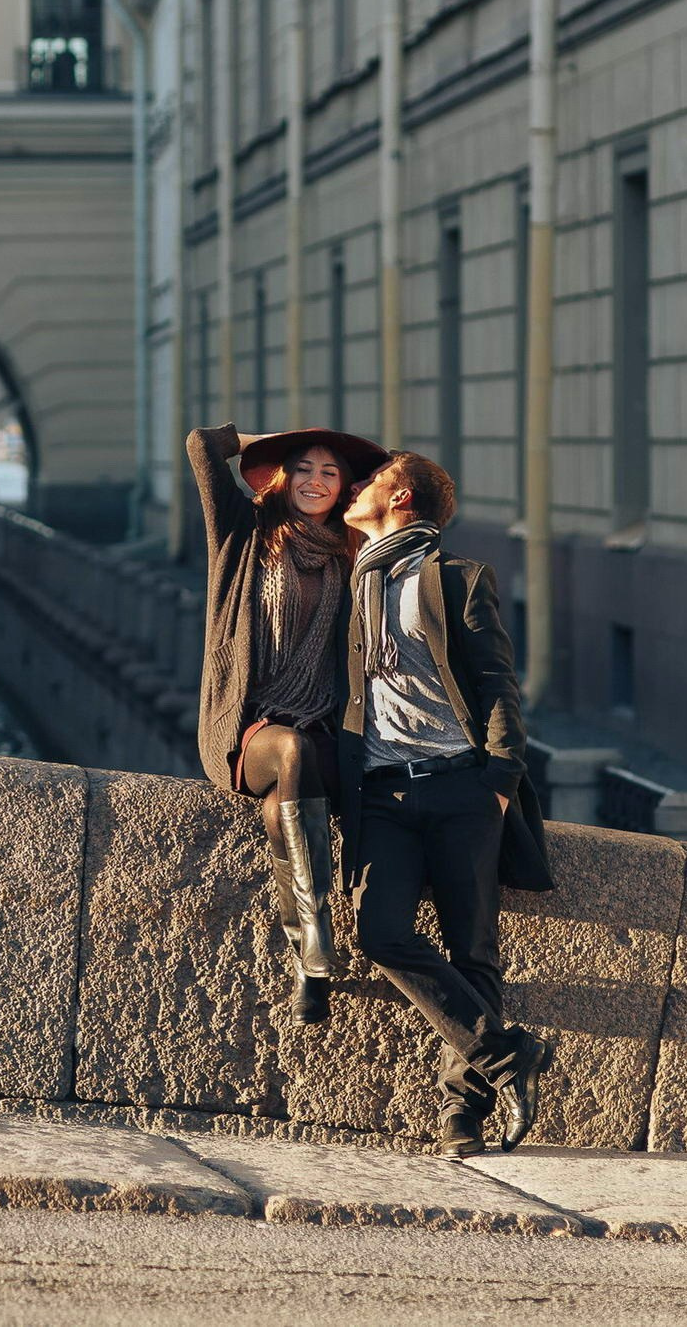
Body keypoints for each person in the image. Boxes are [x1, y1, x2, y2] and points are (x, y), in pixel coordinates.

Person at [340, 450, 556, 1157]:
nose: (346, 487)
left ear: (399, 496)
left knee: (473, 951)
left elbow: (497, 685)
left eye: (366, 480)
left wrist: (496, 783)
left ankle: (460, 1114)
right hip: (381, 791)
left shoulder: (455, 579)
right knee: (378, 932)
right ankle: (506, 1053)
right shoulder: (349, 578)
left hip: (460, 784)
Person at [186, 423, 389, 1024]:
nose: (316, 481)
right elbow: (202, 446)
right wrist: (271, 438)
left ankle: (307, 959)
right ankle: (318, 930)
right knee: (291, 756)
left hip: (329, 727)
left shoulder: (355, 550)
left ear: (345, 488)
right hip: (249, 730)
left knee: (285, 805)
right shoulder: (243, 531)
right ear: (284, 475)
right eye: (304, 467)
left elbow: (407, 476)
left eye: (330, 472)